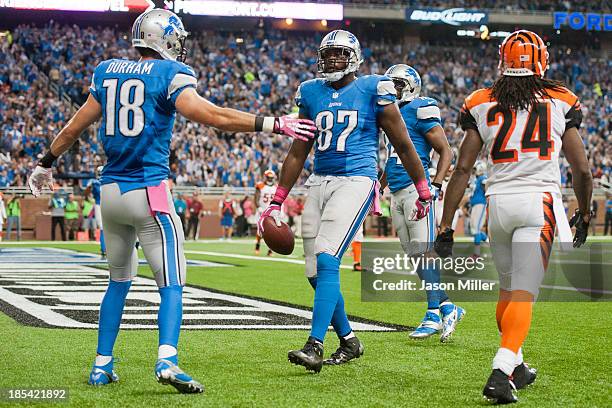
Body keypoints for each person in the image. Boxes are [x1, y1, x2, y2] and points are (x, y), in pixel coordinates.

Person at [28, 8, 315, 394]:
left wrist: (45, 163)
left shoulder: (107, 70)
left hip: (109, 194)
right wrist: (272, 123)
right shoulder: (168, 74)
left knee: (117, 282)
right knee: (172, 284)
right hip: (148, 191)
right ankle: (167, 359)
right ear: (165, 40)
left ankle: (102, 365)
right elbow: (210, 115)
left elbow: (74, 127)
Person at [258, 30, 431, 373]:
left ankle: (315, 344)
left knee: (326, 257)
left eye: (339, 54)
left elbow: (403, 144)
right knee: (312, 272)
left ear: (354, 57)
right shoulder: (309, 92)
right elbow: (297, 152)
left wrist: (422, 186)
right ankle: (349, 340)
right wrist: (277, 199)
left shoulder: (373, 88)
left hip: (357, 179)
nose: (332, 60)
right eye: (328, 54)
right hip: (319, 181)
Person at [435, 30, 593, 404]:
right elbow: (582, 170)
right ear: (542, 62)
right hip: (537, 202)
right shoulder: (560, 99)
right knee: (524, 292)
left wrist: (446, 225)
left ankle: (517, 365)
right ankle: (501, 370)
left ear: (503, 61)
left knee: (508, 291)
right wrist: (585, 212)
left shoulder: (482, 101)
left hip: (498, 206)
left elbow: (461, 170)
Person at [380, 64, 463, 342]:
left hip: (418, 190)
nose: (394, 89)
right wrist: (377, 187)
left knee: (424, 252)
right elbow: (392, 157)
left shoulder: (420, 107)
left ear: (412, 86)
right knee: (415, 255)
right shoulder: (390, 112)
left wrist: (435, 185)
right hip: (397, 192)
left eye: (399, 84)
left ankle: (432, 314)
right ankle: (448, 306)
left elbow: (446, 151)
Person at [254, 169, 277, 256]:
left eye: (271, 178)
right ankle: (257, 246)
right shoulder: (260, 186)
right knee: (260, 230)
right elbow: (256, 198)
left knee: (272, 232)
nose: (270, 179)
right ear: (265, 177)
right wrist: (258, 207)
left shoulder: (276, 187)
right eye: (268, 177)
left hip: (272, 211)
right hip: (262, 210)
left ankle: (270, 250)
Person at [469, 161, 488, 257]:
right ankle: (489, 241)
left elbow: (486, 187)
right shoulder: (476, 179)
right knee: (473, 228)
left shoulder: (483, 178)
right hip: (475, 205)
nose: (474, 171)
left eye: (475, 169)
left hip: (481, 204)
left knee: (476, 228)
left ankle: (476, 253)